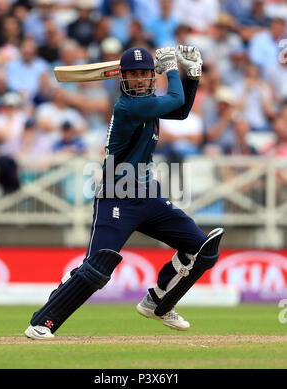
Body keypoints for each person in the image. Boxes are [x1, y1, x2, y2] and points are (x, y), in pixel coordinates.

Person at [25, 45, 224, 340]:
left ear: (149, 77)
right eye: (133, 74)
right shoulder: (128, 107)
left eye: (144, 73)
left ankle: (159, 301)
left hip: (148, 194)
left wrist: (192, 75)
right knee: (97, 269)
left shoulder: (149, 104)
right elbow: (176, 98)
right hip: (116, 194)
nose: (139, 79)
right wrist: (172, 67)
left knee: (201, 250)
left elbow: (180, 110)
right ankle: (42, 322)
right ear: (123, 78)